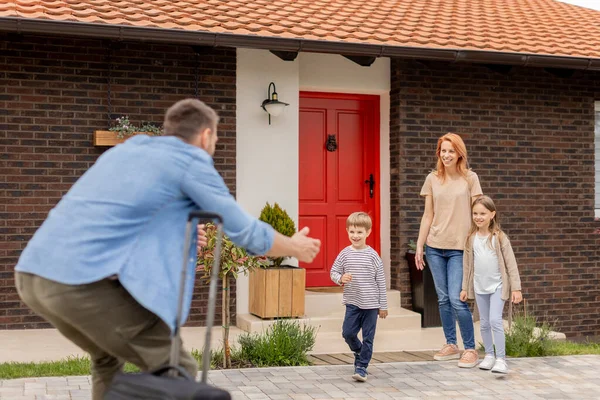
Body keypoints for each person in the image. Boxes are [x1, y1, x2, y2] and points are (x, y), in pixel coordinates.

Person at [14, 99, 321, 400]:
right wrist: (294, 246)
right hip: (78, 283)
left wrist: (180, 236)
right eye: (216, 138)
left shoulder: (127, 153)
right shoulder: (189, 160)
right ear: (205, 135)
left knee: (107, 358)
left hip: (32, 275)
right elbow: (245, 231)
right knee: (176, 368)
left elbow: (121, 219)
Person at [415, 132, 483, 368]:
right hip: (435, 246)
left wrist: (481, 242)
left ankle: (471, 349)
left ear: (459, 153)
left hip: (459, 248)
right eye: (443, 151)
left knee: (457, 299)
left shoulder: (470, 179)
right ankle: (451, 344)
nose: (446, 155)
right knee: (443, 299)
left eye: (451, 151)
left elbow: (479, 214)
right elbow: (427, 215)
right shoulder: (432, 179)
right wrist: (419, 246)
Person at [460, 196, 522, 374]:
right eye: (475, 213)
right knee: (484, 323)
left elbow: (511, 263)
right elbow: (467, 266)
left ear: (492, 214)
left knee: (495, 320)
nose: (478, 217)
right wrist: (465, 287)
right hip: (480, 286)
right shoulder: (471, 239)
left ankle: (501, 359)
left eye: (482, 213)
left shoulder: (499, 238)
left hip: (497, 286)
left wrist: (516, 288)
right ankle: (489, 355)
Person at [330, 212, 388, 382]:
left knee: (368, 337)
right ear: (347, 231)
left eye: (359, 232)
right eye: (352, 232)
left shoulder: (373, 256)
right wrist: (340, 278)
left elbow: (381, 283)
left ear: (368, 232)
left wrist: (382, 306)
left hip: (371, 305)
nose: (355, 236)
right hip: (353, 303)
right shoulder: (345, 254)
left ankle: (361, 367)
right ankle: (359, 351)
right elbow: (333, 271)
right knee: (348, 333)